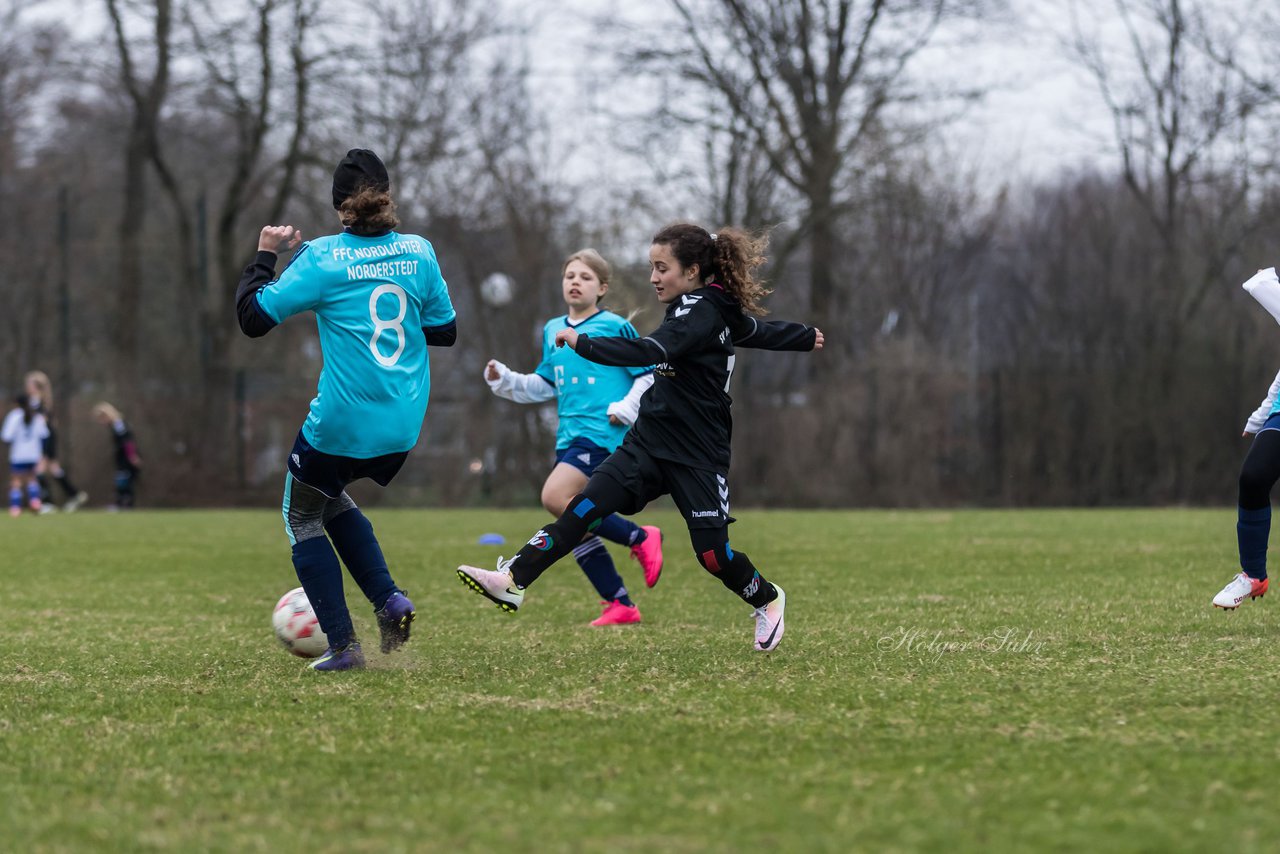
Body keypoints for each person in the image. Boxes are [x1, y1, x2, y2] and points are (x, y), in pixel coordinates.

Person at [458, 223, 824, 651]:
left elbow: (651, 351)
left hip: (697, 455)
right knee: (582, 511)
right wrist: (802, 336)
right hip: (647, 444)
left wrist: (585, 344)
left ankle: (767, 598)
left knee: (713, 556)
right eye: (652, 266)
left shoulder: (699, 311)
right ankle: (512, 579)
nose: (653, 277)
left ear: (690, 271)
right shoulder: (703, 308)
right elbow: (755, 332)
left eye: (661, 267)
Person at [235, 148, 457, 671]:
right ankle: (389, 600)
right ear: (387, 197)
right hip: (403, 423)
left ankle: (343, 646)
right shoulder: (420, 251)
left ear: (339, 206)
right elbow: (445, 331)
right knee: (328, 497)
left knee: (300, 514)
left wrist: (266, 254)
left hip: (342, 421)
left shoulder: (322, 257)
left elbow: (252, 317)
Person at [484, 249, 664, 626]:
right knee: (574, 520)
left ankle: (638, 538)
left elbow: (648, 374)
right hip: (569, 438)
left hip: (604, 434)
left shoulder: (614, 326)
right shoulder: (553, 329)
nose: (575, 282)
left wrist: (627, 408)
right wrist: (507, 381)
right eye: (570, 276)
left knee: (554, 497)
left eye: (584, 277)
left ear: (602, 287)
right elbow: (545, 384)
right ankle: (620, 603)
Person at [25, 371, 88, 512]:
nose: (27, 387)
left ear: (36, 386)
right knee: (54, 469)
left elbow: (43, 422)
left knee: (39, 469)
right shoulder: (40, 401)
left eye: (29, 384)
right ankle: (75, 494)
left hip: (46, 437)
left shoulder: (37, 401)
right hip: (48, 436)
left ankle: (48, 502)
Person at [3, 394, 48, 517]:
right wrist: (43, 455)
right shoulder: (37, 417)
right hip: (33, 454)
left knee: (16, 481)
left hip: (18, 454)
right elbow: (44, 436)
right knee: (32, 479)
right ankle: (35, 501)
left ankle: (15, 508)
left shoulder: (14, 416)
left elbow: (6, 436)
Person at [91, 402, 142, 509]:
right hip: (122, 457)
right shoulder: (115, 425)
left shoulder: (119, 424)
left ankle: (125, 504)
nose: (101, 422)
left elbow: (127, 441)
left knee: (124, 480)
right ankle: (122, 503)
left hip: (126, 457)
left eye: (101, 419)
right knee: (121, 479)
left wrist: (132, 456)